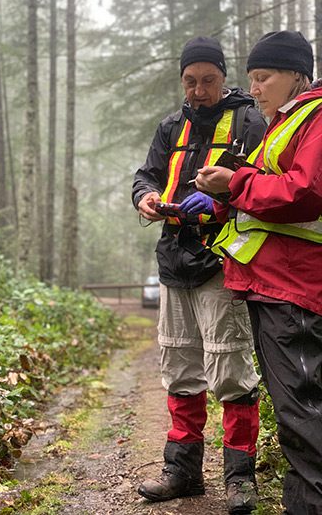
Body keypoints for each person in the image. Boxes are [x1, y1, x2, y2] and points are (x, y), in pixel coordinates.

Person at [131, 36, 267, 514]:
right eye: (190, 81)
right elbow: (145, 174)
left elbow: (263, 178)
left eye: (208, 80)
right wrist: (144, 198)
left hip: (222, 258)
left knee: (230, 369)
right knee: (179, 367)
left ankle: (239, 478)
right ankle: (183, 471)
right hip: (173, 259)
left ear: (224, 78)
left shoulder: (250, 119)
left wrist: (221, 198)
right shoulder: (171, 126)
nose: (199, 90)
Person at [195, 30, 322, 515]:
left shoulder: (315, 118)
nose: (255, 88)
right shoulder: (285, 123)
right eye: (251, 78)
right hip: (277, 288)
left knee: (304, 413)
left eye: (263, 77)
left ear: (296, 75)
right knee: (296, 414)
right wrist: (225, 193)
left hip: (299, 291)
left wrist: (237, 181)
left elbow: (304, 193)